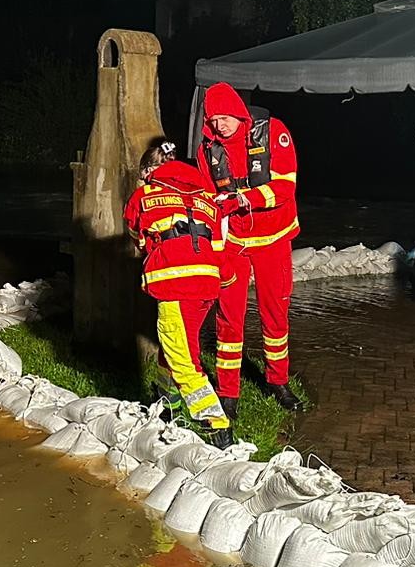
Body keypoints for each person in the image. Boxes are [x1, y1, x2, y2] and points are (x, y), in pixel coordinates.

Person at [197, 82, 301, 418]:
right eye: (213, 120)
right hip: (234, 242)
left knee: (275, 312)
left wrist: (246, 199)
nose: (219, 125)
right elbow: (207, 198)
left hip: (273, 238)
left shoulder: (273, 133)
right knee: (228, 317)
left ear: (239, 112)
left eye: (224, 117)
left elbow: (285, 187)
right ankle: (229, 393)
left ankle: (278, 382)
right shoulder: (207, 150)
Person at [123, 141, 233, 448]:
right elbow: (217, 245)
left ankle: (217, 426)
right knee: (175, 346)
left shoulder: (145, 195)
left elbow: (136, 233)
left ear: (148, 171)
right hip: (207, 286)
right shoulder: (206, 198)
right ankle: (165, 403)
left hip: (176, 285)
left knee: (183, 358)